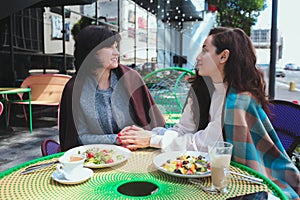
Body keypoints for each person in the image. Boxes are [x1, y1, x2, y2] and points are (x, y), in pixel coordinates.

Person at [119, 27, 299, 199]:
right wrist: (149, 135)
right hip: (205, 176)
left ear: (223, 56)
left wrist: (152, 140)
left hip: (247, 182)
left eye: (205, 50)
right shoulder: (201, 87)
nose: (198, 57)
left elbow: (208, 144)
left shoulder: (239, 101)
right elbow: (184, 129)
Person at [59, 25, 165, 151]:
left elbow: (151, 124)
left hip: (138, 150)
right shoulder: (75, 89)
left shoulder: (130, 79)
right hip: (97, 155)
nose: (117, 53)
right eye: (109, 47)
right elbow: (79, 137)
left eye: (116, 47)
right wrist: (117, 139)